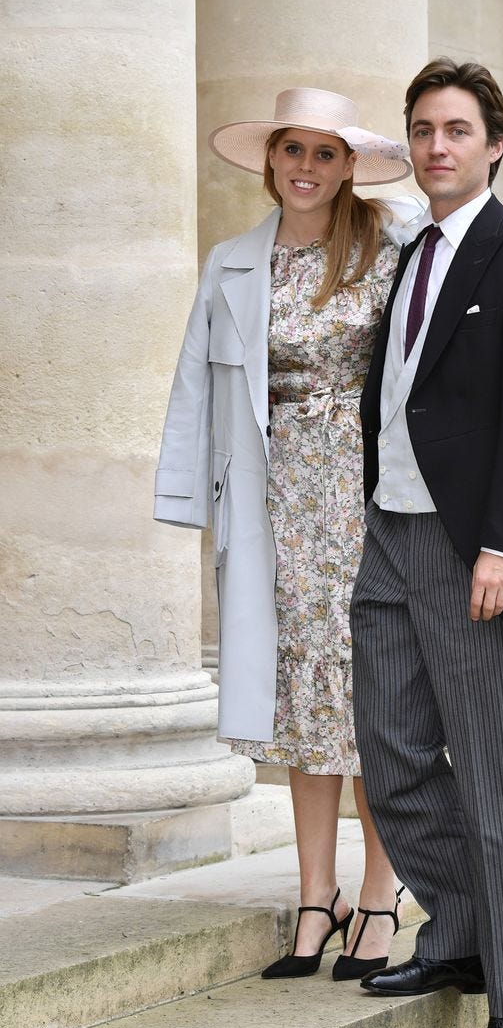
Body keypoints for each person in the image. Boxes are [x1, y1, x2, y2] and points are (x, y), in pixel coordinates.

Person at [154, 87, 421, 982]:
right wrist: (186, 501)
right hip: (275, 501)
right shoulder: (234, 261)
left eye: (324, 153)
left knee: (373, 699)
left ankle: (381, 894)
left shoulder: (390, 248)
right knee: (305, 703)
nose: (304, 168)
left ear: (349, 165)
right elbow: (196, 386)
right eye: (291, 151)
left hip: (374, 496)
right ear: (269, 161)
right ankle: (316, 897)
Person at [350, 59, 503, 1028]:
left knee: (498, 782)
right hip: (389, 534)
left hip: (469, 546)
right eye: (423, 131)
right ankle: (456, 934)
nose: (438, 147)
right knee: (392, 755)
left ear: (493, 144)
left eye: (456, 129)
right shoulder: (411, 253)